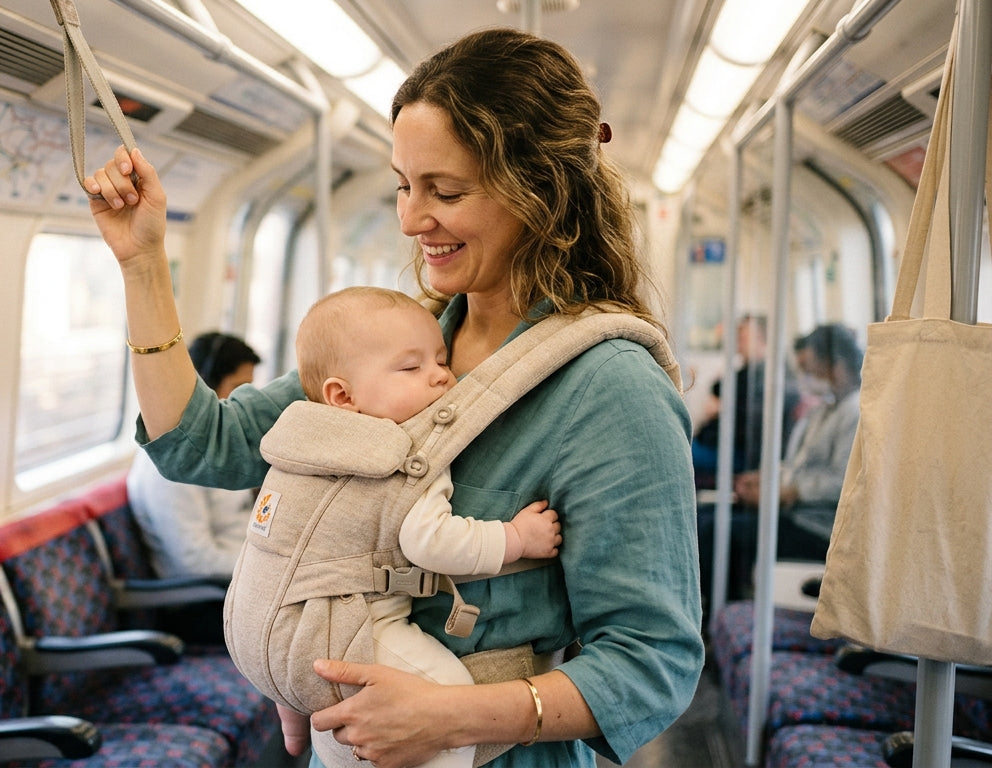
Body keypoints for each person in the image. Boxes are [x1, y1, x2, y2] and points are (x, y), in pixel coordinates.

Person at [84, 26, 702, 768]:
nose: (411, 219)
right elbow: (199, 444)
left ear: (539, 189)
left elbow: (652, 661)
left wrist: (446, 717)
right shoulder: (398, 346)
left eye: (445, 191)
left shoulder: (611, 388)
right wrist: (143, 262)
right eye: (403, 186)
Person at [237, 285, 563, 768]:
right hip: (335, 629)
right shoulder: (404, 456)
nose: (441, 378)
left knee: (332, 715)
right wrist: (516, 538)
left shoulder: (298, 441)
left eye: (440, 359)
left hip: (253, 622)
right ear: (342, 395)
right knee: (444, 703)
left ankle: (304, 712)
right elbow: (431, 541)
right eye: (412, 368)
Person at [698, 323, 864, 612]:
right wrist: (766, 479)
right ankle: (717, 609)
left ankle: (722, 612)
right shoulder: (824, 410)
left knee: (718, 532)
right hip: (793, 513)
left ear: (835, 365)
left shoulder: (855, 413)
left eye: (809, 368)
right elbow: (798, 466)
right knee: (703, 518)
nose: (805, 377)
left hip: (815, 526)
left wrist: (790, 492)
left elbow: (843, 482)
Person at [127, 331, 261, 581]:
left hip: (245, 569)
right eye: (238, 388)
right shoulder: (169, 463)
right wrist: (269, 572)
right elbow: (195, 561)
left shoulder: (214, 442)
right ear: (206, 384)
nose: (246, 401)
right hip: (206, 595)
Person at [691, 314, 801, 486]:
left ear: (762, 339)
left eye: (743, 337)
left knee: (676, 453)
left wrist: (722, 409)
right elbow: (719, 389)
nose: (738, 343)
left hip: (741, 453)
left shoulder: (769, 377)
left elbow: (750, 423)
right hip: (720, 444)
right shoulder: (747, 372)